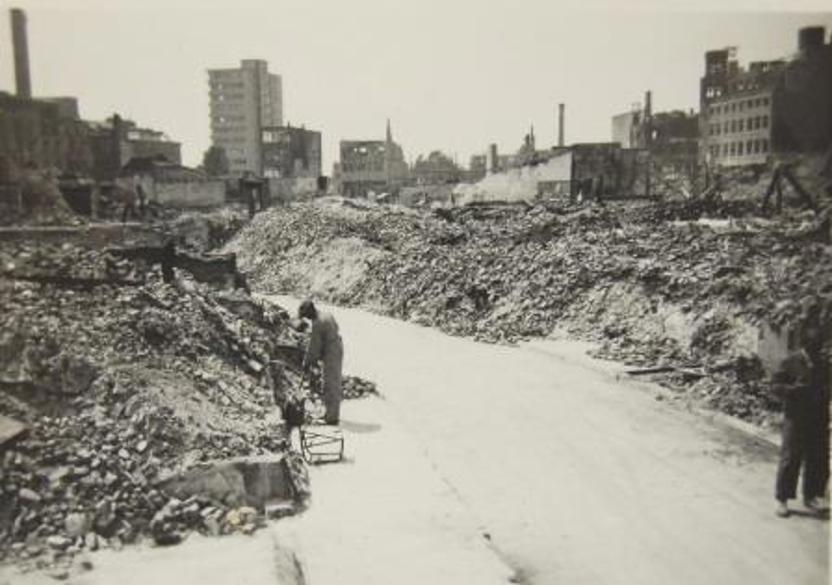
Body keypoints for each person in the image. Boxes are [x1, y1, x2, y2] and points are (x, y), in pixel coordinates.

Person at [773, 302, 830, 518]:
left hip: (818, 417)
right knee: (791, 458)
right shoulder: (789, 362)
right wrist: (792, 390)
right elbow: (775, 387)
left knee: (818, 458)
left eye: (820, 343)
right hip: (796, 417)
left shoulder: (824, 364)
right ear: (805, 342)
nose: (817, 346)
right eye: (813, 342)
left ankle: (812, 496)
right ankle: (783, 499)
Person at [299, 300, 344, 425]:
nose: (306, 318)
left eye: (306, 316)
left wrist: (307, 363)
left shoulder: (318, 323)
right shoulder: (326, 314)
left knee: (331, 383)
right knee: (330, 381)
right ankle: (330, 413)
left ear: (310, 312)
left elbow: (314, 347)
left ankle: (332, 418)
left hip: (332, 352)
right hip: (336, 346)